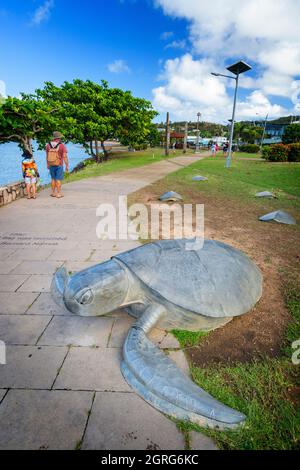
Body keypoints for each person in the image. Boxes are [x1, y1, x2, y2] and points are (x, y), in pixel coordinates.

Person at [46, 131, 69, 198]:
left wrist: (47, 164)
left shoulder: (48, 145)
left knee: (53, 179)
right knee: (58, 179)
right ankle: (58, 194)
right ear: (59, 137)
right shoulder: (62, 145)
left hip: (51, 164)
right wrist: (67, 165)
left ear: (54, 137)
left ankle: (53, 193)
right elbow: (64, 156)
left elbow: (47, 155)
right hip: (59, 164)